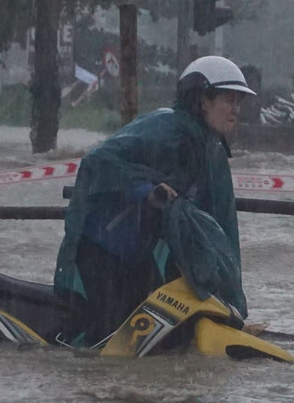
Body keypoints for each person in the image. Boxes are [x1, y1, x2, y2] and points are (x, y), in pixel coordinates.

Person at [53, 55, 255, 346]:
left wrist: (231, 307)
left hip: (141, 256)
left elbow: (220, 226)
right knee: (109, 339)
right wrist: (146, 190)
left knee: (163, 339)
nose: (236, 110)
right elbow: (100, 161)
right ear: (202, 101)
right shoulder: (164, 127)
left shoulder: (211, 151)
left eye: (239, 102)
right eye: (229, 100)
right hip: (103, 249)